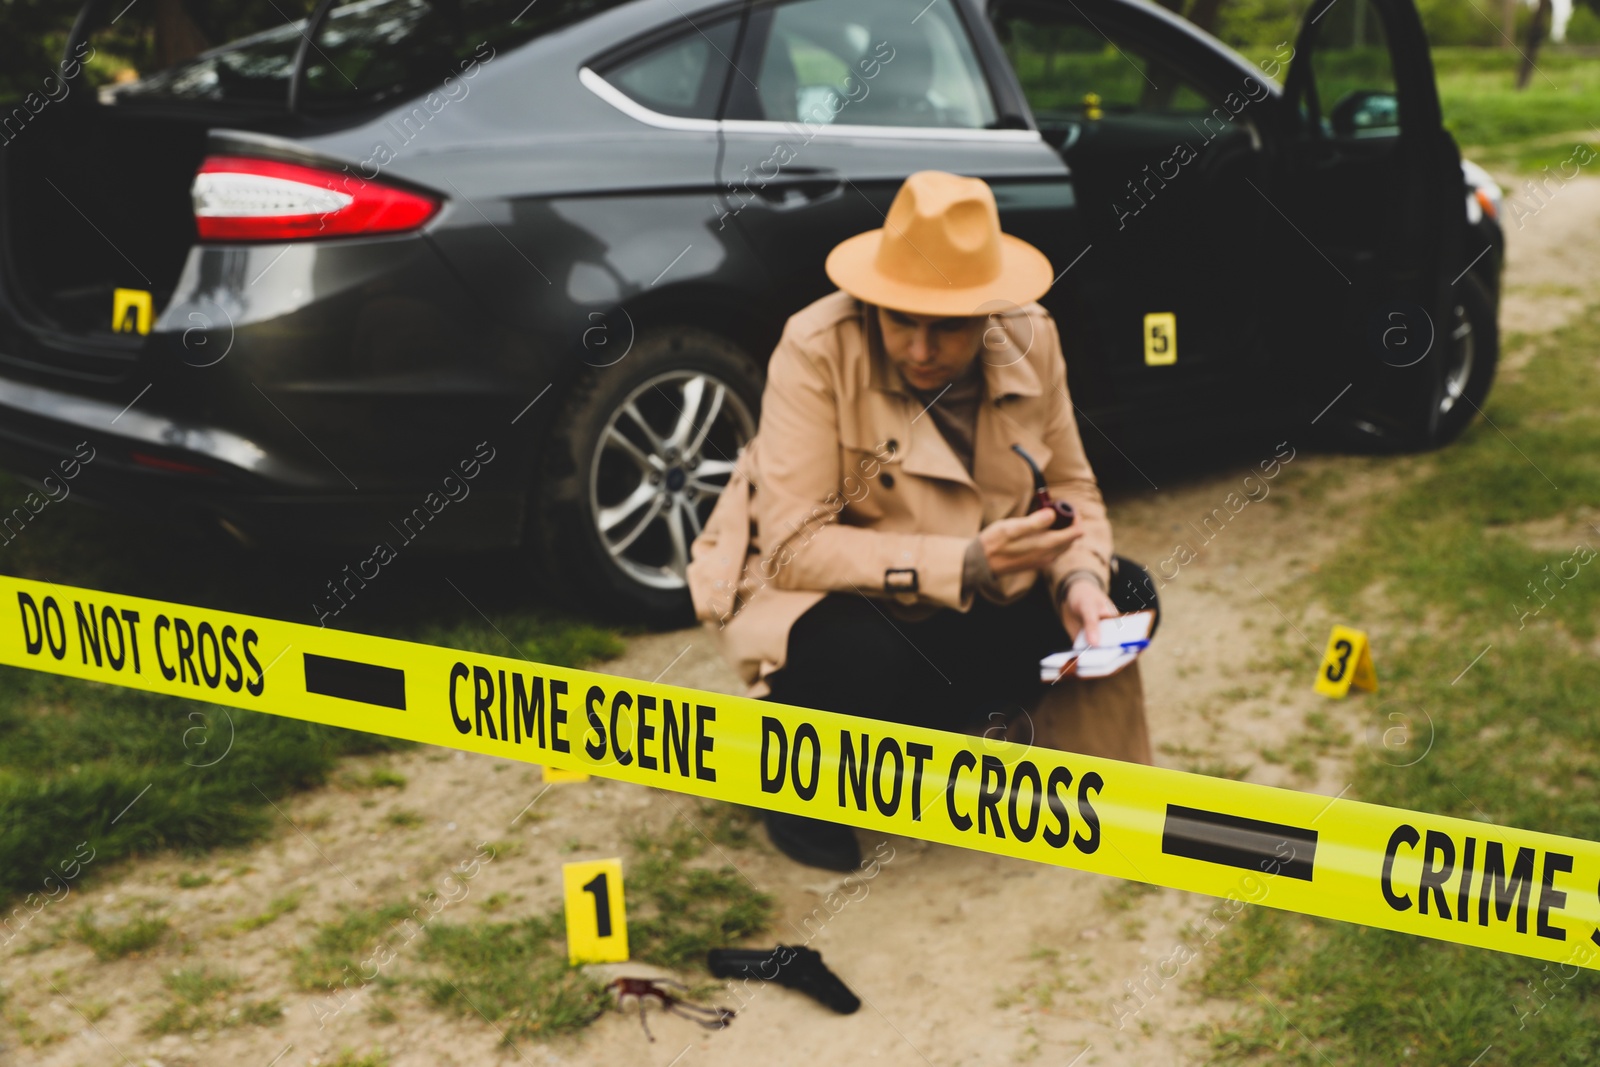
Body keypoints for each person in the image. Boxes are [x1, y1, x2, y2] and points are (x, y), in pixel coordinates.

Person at [686, 170, 1155, 871]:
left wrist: (1080, 583)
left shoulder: (1035, 336)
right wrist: (963, 562)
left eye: (948, 327)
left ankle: (945, 729)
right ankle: (793, 780)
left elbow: (1070, 488)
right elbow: (792, 546)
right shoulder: (813, 345)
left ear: (989, 312)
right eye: (900, 318)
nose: (920, 348)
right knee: (863, 657)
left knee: (1131, 596)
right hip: (839, 602)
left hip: (974, 592)